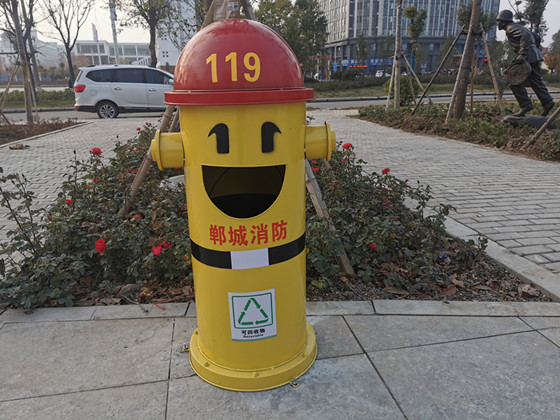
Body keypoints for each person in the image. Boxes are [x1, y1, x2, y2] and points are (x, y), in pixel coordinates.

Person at [496, 9, 555, 117]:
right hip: (534, 56)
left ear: (504, 21)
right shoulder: (518, 26)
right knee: (536, 81)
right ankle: (547, 102)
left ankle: (526, 105)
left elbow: (526, 36)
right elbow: (536, 37)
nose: (498, 23)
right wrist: (534, 50)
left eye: (499, 21)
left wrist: (523, 54)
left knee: (512, 80)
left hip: (527, 57)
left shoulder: (510, 28)